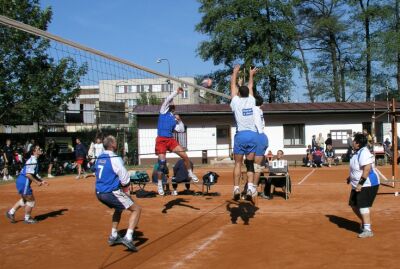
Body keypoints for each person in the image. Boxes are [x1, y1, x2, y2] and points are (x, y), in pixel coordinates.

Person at [94, 135, 141, 251]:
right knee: (136, 209)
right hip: (110, 192)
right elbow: (125, 178)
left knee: (119, 208)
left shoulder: (100, 157)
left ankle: (114, 235)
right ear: (112, 145)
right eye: (115, 141)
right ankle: (128, 237)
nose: (117, 143)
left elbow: (97, 171)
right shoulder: (115, 158)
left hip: (99, 192)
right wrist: (126, 191)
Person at [155, 87, 198, 196]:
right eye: (171, 102)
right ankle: (160, 185)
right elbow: (168, 99)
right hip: (161, 140)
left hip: (170, 140)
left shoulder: (174, 118)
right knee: (162, 165)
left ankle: (190, 173)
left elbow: (182, 130)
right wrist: (176, 92)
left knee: (185, 156)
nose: (172, 103)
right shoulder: (163, 111)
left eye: (172, 102)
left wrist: (179, 120)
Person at [230, 64, 259, 201]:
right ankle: (250, 188)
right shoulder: (252, 100)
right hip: (252, 136)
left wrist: (234, 73)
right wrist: (251, 74)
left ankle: (236, 188)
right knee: (250, 164)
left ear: (239, 94)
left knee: (237, 164)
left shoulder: (235, 102)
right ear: (248, 93)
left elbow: (233, 88)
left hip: (240, 135)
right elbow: (251, 85)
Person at [347, 133, 379, 238]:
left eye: (354, 141)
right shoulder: (356, 152)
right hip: (356, 183)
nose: (353, 142)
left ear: (358, 143)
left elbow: (367, 169)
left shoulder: (364, 152)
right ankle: (365, 223)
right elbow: (356, 168)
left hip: (368, 183)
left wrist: (360, 184)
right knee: (353, 205)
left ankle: (367, 230)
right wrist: (350, 178)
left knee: (363, 206)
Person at [6, 145, 49, 224]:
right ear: (34, 151)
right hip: (24, 182)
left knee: (25, 199)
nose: (40, 149)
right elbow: (28, 174)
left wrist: (41, 181)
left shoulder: (34, 160)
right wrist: (37, 182)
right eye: (38, 149)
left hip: (21, 181)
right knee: (31, 201)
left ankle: (11, 212)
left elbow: (33, 174)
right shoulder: (33, 161)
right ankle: (27, 218)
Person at [253, 94, 269, 193]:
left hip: (257, 137)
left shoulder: (253, 109)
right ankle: (253, 186)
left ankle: (253, 187)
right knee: (257, 166)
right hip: (262, 137)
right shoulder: (259, 110)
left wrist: (240, 86)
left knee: (254, 166)